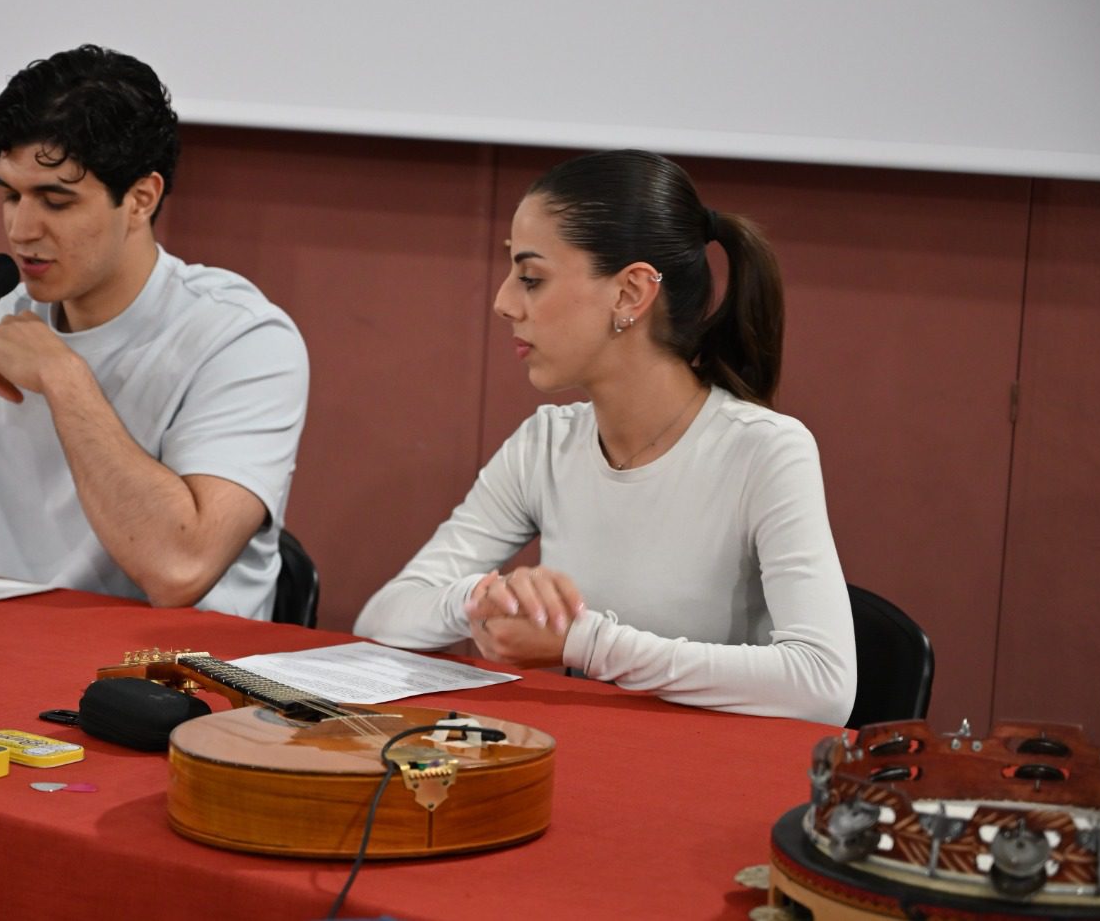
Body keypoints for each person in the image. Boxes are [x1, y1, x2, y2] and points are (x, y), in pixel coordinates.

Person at [0, 45, 309, 621]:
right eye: (10, 194)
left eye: (55, 200)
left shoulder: (242, 340)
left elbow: (179, 570)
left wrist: (64, 377)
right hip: (13, 650)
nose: (21, 230)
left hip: (178, 668)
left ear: (140, 199)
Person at [354, 150, 855, 725]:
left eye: (531, 278)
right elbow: (382, 619)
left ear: (630, 293)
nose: (503, 302)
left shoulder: (765, 449)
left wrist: (584, 643)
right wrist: (481, 599)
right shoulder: (544, 443)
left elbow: (824, 685)